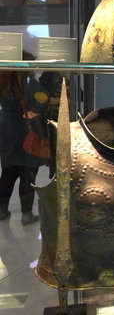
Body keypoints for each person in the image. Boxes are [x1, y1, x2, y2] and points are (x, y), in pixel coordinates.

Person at [0, 71, 50, 225]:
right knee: (28, 174)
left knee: (8, 173)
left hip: (7, 130)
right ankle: (26, 214)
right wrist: (33, 112)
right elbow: (44, 98)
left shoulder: (2, 82)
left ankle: (1, 210)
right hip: (27, 130)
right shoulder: (28, 82)